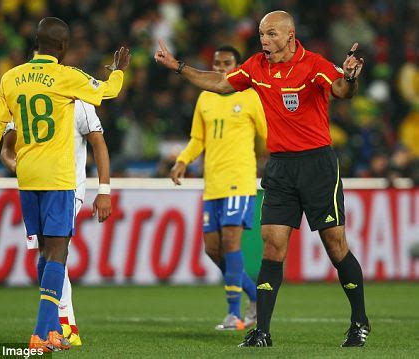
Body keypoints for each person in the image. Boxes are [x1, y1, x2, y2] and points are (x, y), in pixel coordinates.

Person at [155, 10, 369, 348]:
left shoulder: (313, 64)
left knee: (335, 244)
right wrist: (178, 66)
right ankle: (262, 332)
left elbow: (342, 90)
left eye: (270, 34)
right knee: (272, 244)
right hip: (280, 167)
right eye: (261, 34)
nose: (264, 40)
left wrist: (352, 78)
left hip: (317, 166)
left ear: (289, 35)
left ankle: (359, 321)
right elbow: (220, 83)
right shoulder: (256, 66)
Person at [0, 17, 130, 351]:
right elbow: (109, 91)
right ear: (63, 47)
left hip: (27, 178)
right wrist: (118, 69)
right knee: (58, 252)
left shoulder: (11, 78)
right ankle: (41, 332)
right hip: (59, 178)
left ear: (36, 43)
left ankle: (54, 329)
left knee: (43, 251)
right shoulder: (66, 76)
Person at [170, 46, 267, 331]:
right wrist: (182, 161)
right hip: (212, 184)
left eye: (227, 63)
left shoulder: (250, 97)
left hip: (240, 180)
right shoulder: (205, 98)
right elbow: (197, 138)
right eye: (217, 63)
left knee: (231, 244)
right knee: (212, 249)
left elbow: (269, 135)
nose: (222, 67)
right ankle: (255, 296)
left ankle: (234, 315)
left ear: (238, 66)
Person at [0, 99, 110, 346]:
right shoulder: (23, 97)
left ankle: (62, 325)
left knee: (55, 250)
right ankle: (55, 327)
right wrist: (20, 166)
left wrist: (104, 190)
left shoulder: (77, 100)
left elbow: (98, 144)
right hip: (34, 185)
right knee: (48, 253)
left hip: (68, 188)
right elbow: (7, 150)